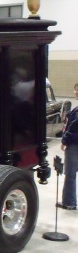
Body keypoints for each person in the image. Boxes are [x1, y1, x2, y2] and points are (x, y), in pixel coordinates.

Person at [60, 82, 78, 210]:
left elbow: (73, 128)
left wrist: (64, 140)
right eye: (75, 90)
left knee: (70, 173)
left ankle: (69, 202)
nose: (75, 92)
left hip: (74, 144)